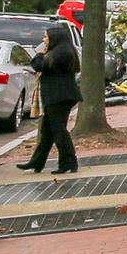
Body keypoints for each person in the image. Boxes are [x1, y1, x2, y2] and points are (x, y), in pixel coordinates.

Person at [18, 21, 81, 175]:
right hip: (58, 95)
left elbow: (39, 65)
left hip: (59, 96)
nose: (43, 40)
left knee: (59, 130)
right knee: (47, 131)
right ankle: (37, 162)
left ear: (54, 38)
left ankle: (69, 161)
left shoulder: (60, 54)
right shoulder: (61, 51)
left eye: (45, 37)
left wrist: (39, 53)